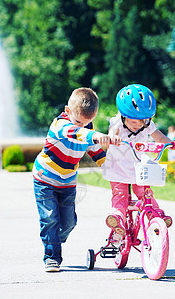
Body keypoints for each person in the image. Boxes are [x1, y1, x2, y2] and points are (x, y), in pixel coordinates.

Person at [32, 87, 112, 272]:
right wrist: (97, 135)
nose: (82, 126)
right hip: (45, 179)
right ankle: (52, 257)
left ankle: (51, 239)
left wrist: (109, 167)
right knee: (50, 218)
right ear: (68, 111)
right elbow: (77, 133)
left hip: (67, 182)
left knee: (69, 223)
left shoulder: (86, 128)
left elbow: (93, 149)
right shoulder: (60, 125)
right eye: (78, 121)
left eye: (88, 123)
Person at [102, 84, 175, 236]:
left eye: (142, 119)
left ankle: (156, 216)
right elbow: (113, 131)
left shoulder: (147, 124)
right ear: (124, 114)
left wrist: (169, 143)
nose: (138, 123)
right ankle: (117, 218)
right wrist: (112, 137)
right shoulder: (117, 122)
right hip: (117, 168)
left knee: (146, 193)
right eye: (133, 120)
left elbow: (158, 136)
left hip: (138, 168)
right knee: (120, 195)